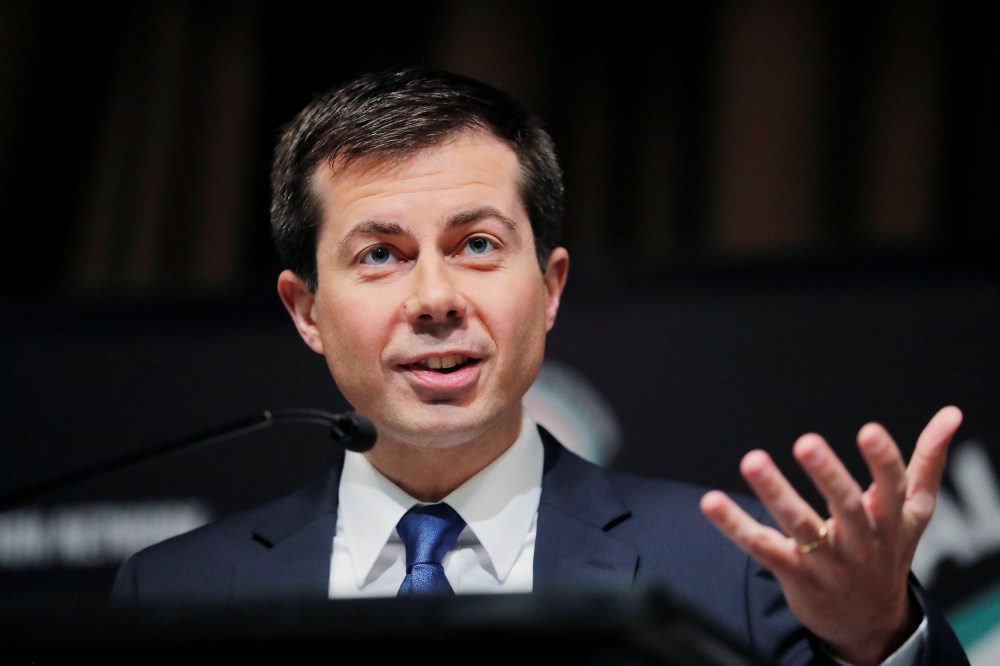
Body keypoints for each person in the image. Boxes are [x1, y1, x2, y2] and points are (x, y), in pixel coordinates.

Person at [111, 67, 969, 665]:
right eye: (380, 255)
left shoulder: (737, 569)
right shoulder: (176, 592)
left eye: (477, 244)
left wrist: (875, 642)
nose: (434, 297)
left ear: (550, 287)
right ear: (306, 310)